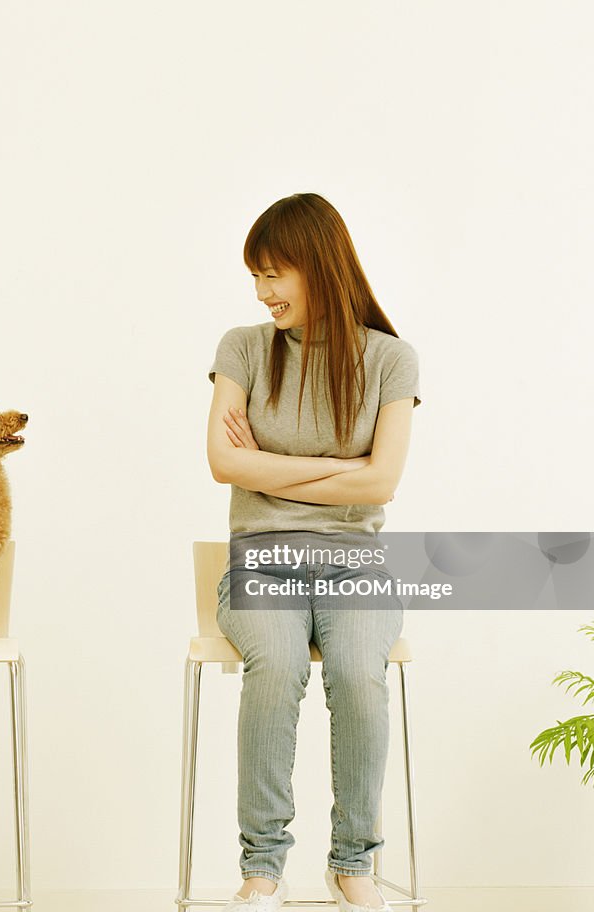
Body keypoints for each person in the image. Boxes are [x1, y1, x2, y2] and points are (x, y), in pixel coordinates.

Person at [206, 193, 421, 912]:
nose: (264, 293)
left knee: (360, 675)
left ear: (321, 267)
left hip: (356, 563)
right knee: (277, 667)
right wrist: (342, 473)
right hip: (261, 561)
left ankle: (352, 862)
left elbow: (385, 480)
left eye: (276, 274)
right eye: (256, 278)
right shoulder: (242, 347)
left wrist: (272, 466)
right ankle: (262, 868)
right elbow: (223, 464)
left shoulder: (390, 359)